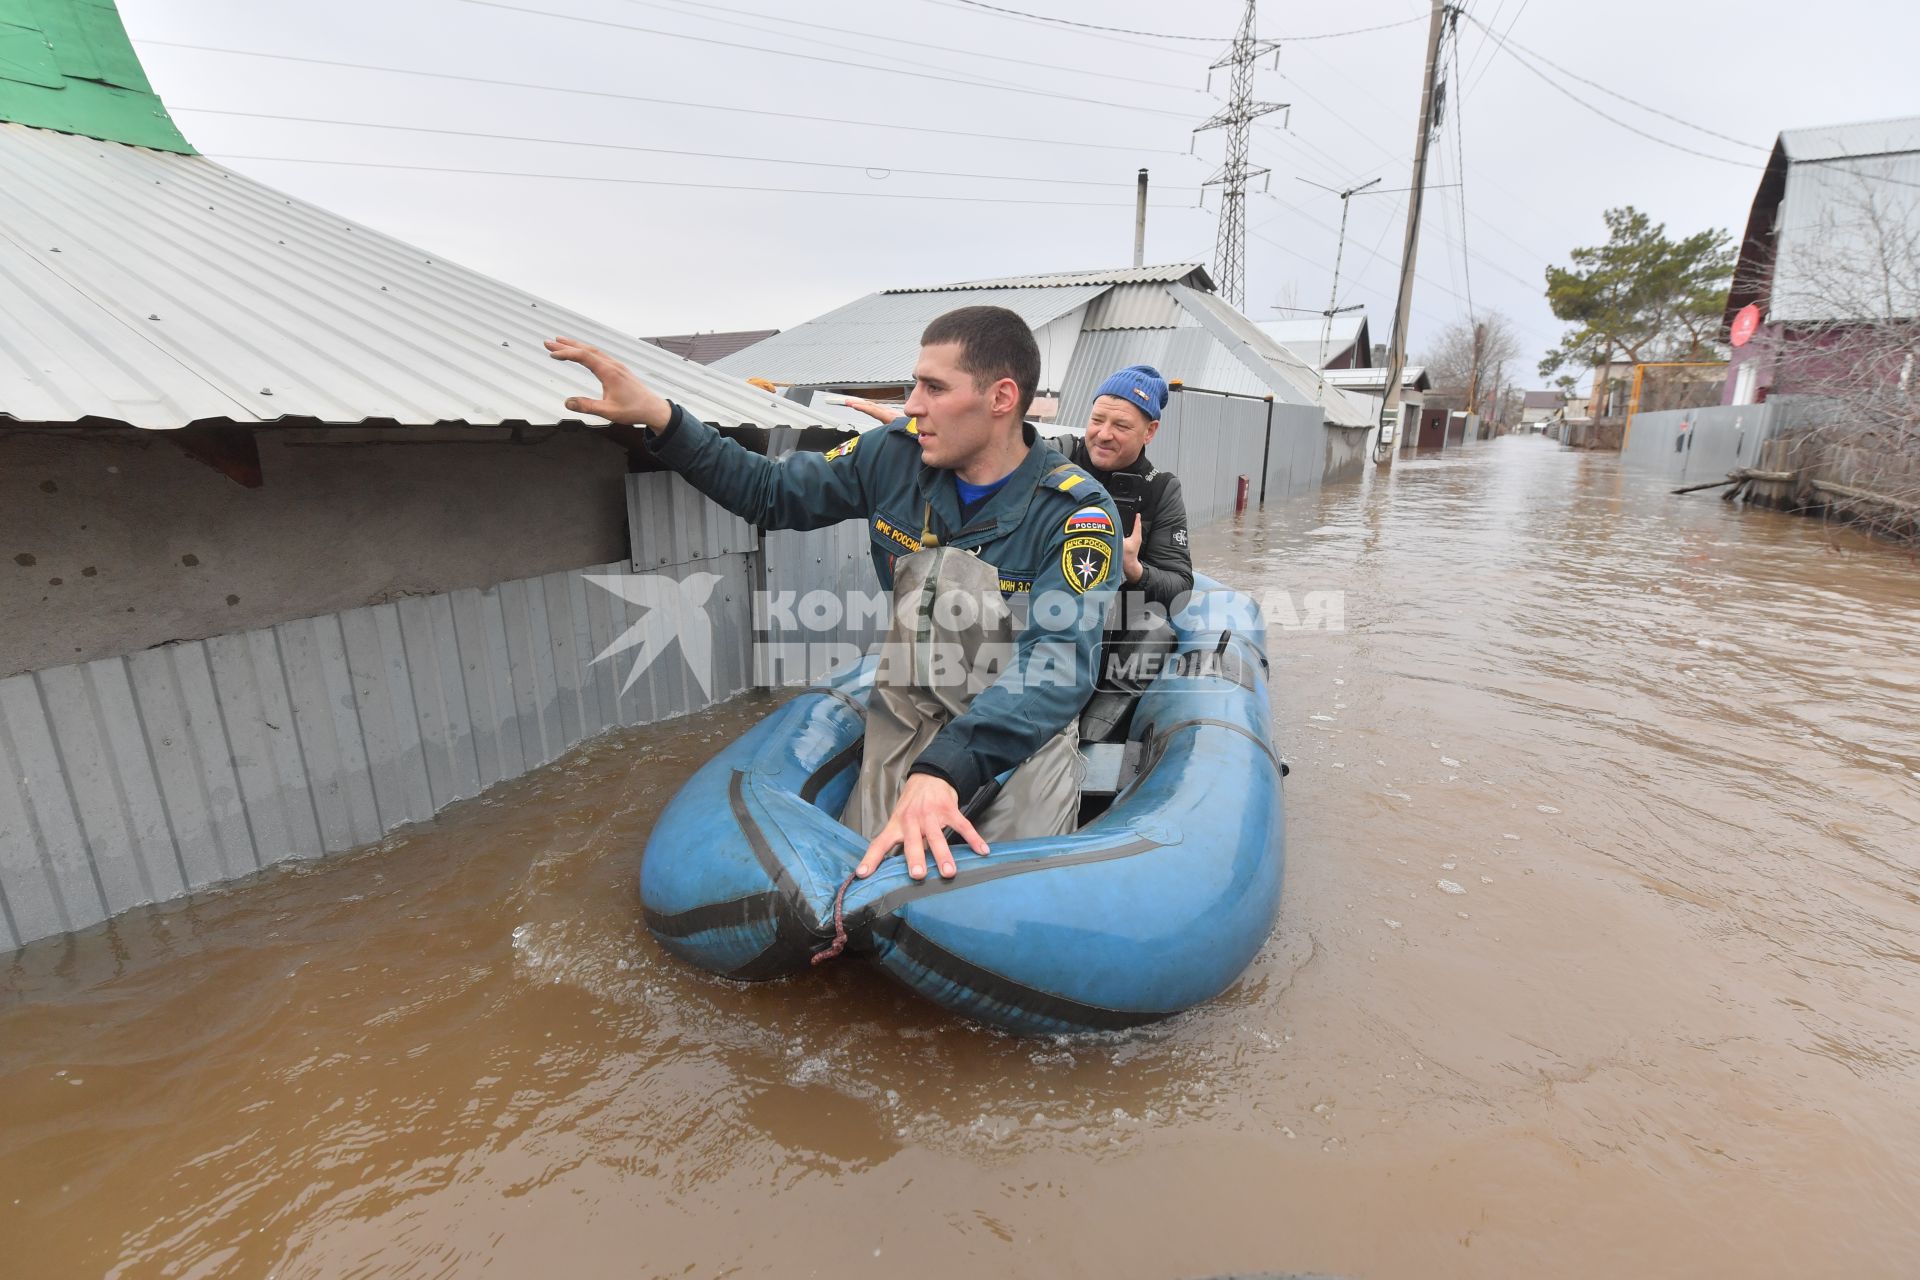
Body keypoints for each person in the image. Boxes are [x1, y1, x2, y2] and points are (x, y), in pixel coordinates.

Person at [546, 307, 1121, 885]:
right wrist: (661, 417)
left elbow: (1055, 664)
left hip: (1018, 725)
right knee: (855, 881)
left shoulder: (1075, 513)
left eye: (934, 387)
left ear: (1001, 398)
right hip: (910, 704)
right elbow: (770, 493)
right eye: (915, 383)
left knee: (1001, 894)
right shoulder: (891, 456)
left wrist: (949, 768)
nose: (913, 404)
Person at [1067, 366, 1192, 730]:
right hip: (1044, 616)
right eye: (1096, 420)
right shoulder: (1056, 459)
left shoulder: (1161, 490)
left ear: (1149, 431)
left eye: (1120, 426)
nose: (1103, 435)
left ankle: (1095, 739)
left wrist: (1134, 569)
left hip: (1111, 634)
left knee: (1155, 629)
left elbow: (1180, 587)